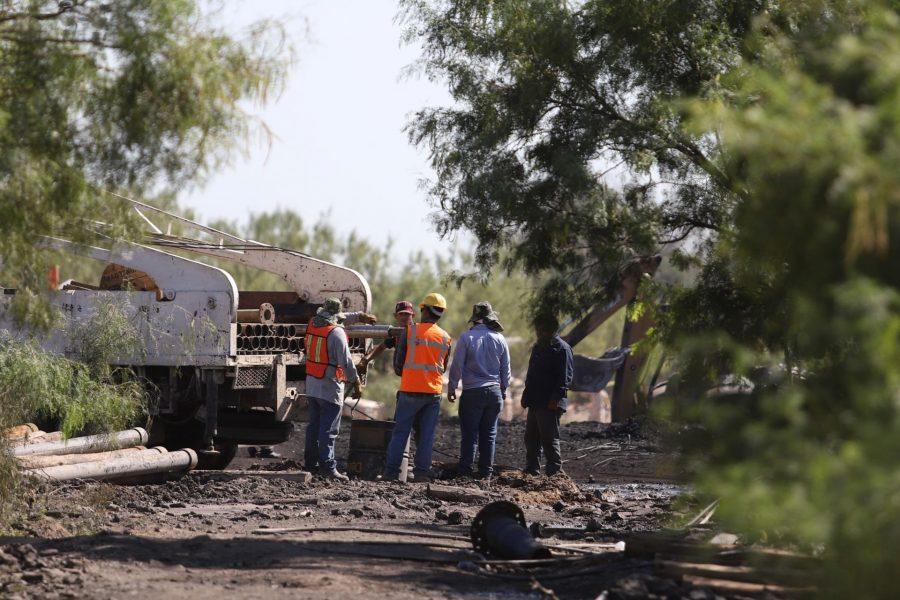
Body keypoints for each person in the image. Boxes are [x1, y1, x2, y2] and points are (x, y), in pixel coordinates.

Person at [304, 297, 376, 480]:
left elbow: (341, 318)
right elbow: (346, 362)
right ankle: (328, 467)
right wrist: (357, 382)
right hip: (329, 387)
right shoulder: (336, 334)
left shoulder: (313, 323)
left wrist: (359, 316)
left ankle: (310, 465)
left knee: (314, 427)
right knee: (329, 430)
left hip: (312, 385)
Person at [384, 292, 452, 483]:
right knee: (426, 436)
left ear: (423, 310)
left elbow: (398, 365)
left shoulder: (411, 331)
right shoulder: (446, 337)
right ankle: (421, 474)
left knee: (400, 433)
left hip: (410, 391)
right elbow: (443, 367)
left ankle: (391, 473)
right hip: (433, 394)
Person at [448, 301, 511, 480]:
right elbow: (506, 369)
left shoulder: (466, 338)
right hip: (494, 393)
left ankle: (465, 472)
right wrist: (503, 388)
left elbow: (457, 366)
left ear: (474, 319)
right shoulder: (500, 339)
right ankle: (485, 474)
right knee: (489, 434)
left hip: (472, 393)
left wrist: (452, 387)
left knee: (470, 435)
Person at [521, 311, 574, 476]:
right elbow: (531, 374)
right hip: (535, 401)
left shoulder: (562, 349)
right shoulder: (538, 347)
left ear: (549, 329)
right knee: (531, 438)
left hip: (550, 403)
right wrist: (526, 395)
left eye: (540, 329)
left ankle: (554, 472)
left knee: (549, 439)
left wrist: (555, 400)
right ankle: (532, 470)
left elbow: (565, 378)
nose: (537, 332)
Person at [358, 300, 415, 369]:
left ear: (413, 315)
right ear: (395, 316)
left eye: (407, 314)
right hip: (408, 374)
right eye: (401, 314)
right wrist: (367, 359)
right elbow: (382, 346)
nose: (404, 317)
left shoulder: (418, 332)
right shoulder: (397, 335)